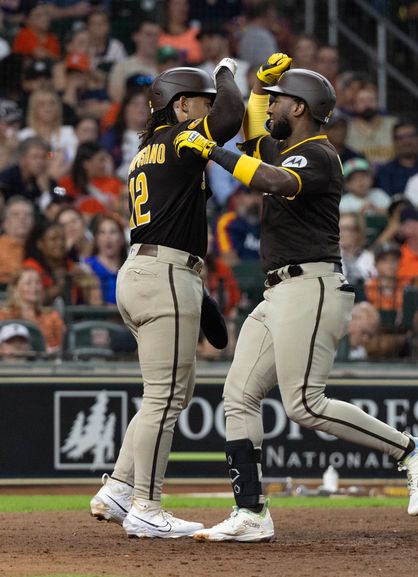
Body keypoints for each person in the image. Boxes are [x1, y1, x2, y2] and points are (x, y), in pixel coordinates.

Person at [172, 57, 418, 541]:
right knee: (238, 396)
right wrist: (256, 89)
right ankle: (251, 513)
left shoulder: (318, 153)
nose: (272, 106)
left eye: (278, 100)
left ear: (298, 106)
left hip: (312, 285)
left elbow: (271, 179)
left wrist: (212, 152)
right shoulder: (287, 146)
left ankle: (411, 450)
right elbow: (256, 145)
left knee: (303, 403)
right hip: (280, 290)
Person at [88, 59, 244, 538]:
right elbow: (231, 117)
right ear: (180, 105)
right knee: (164, 399)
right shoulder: (179, 137)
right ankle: (146, 507)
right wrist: (224, 72)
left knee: (163, 395)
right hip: (165, 273)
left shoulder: (147, 150)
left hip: (142, 271)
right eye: (202, 101)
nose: (209, 109)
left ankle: (118, 488)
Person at [0, 268, 65, 353]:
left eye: (37, 283)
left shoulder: (52, 316)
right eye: (28, 283)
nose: (34, 287)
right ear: (15, 288)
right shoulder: (3, 315)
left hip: (46, 362)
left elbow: (61, 345)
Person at [374, 120, 418, 196]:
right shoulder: (384, 172)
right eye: (401, 138)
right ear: (394, 142)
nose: (407, 141)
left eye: (411, 136)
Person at [85, 215, 128, 306]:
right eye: (102, 232)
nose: (108, 237)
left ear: (122, 239)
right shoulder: (87, 267)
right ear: (96, 239)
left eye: (113, 232)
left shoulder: (131, 268)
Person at [215, 187, 261, 266]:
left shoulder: (272, 222)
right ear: (237, 198)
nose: (255, 200)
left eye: (259, 194)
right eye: (249, 194)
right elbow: (229, 260)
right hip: (242, 275)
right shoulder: (229, 222)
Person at [0, 197, 35, 284]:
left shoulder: (41, 247)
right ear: (5, 223)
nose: (22, 219)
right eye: (15, 214)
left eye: (27, 215)